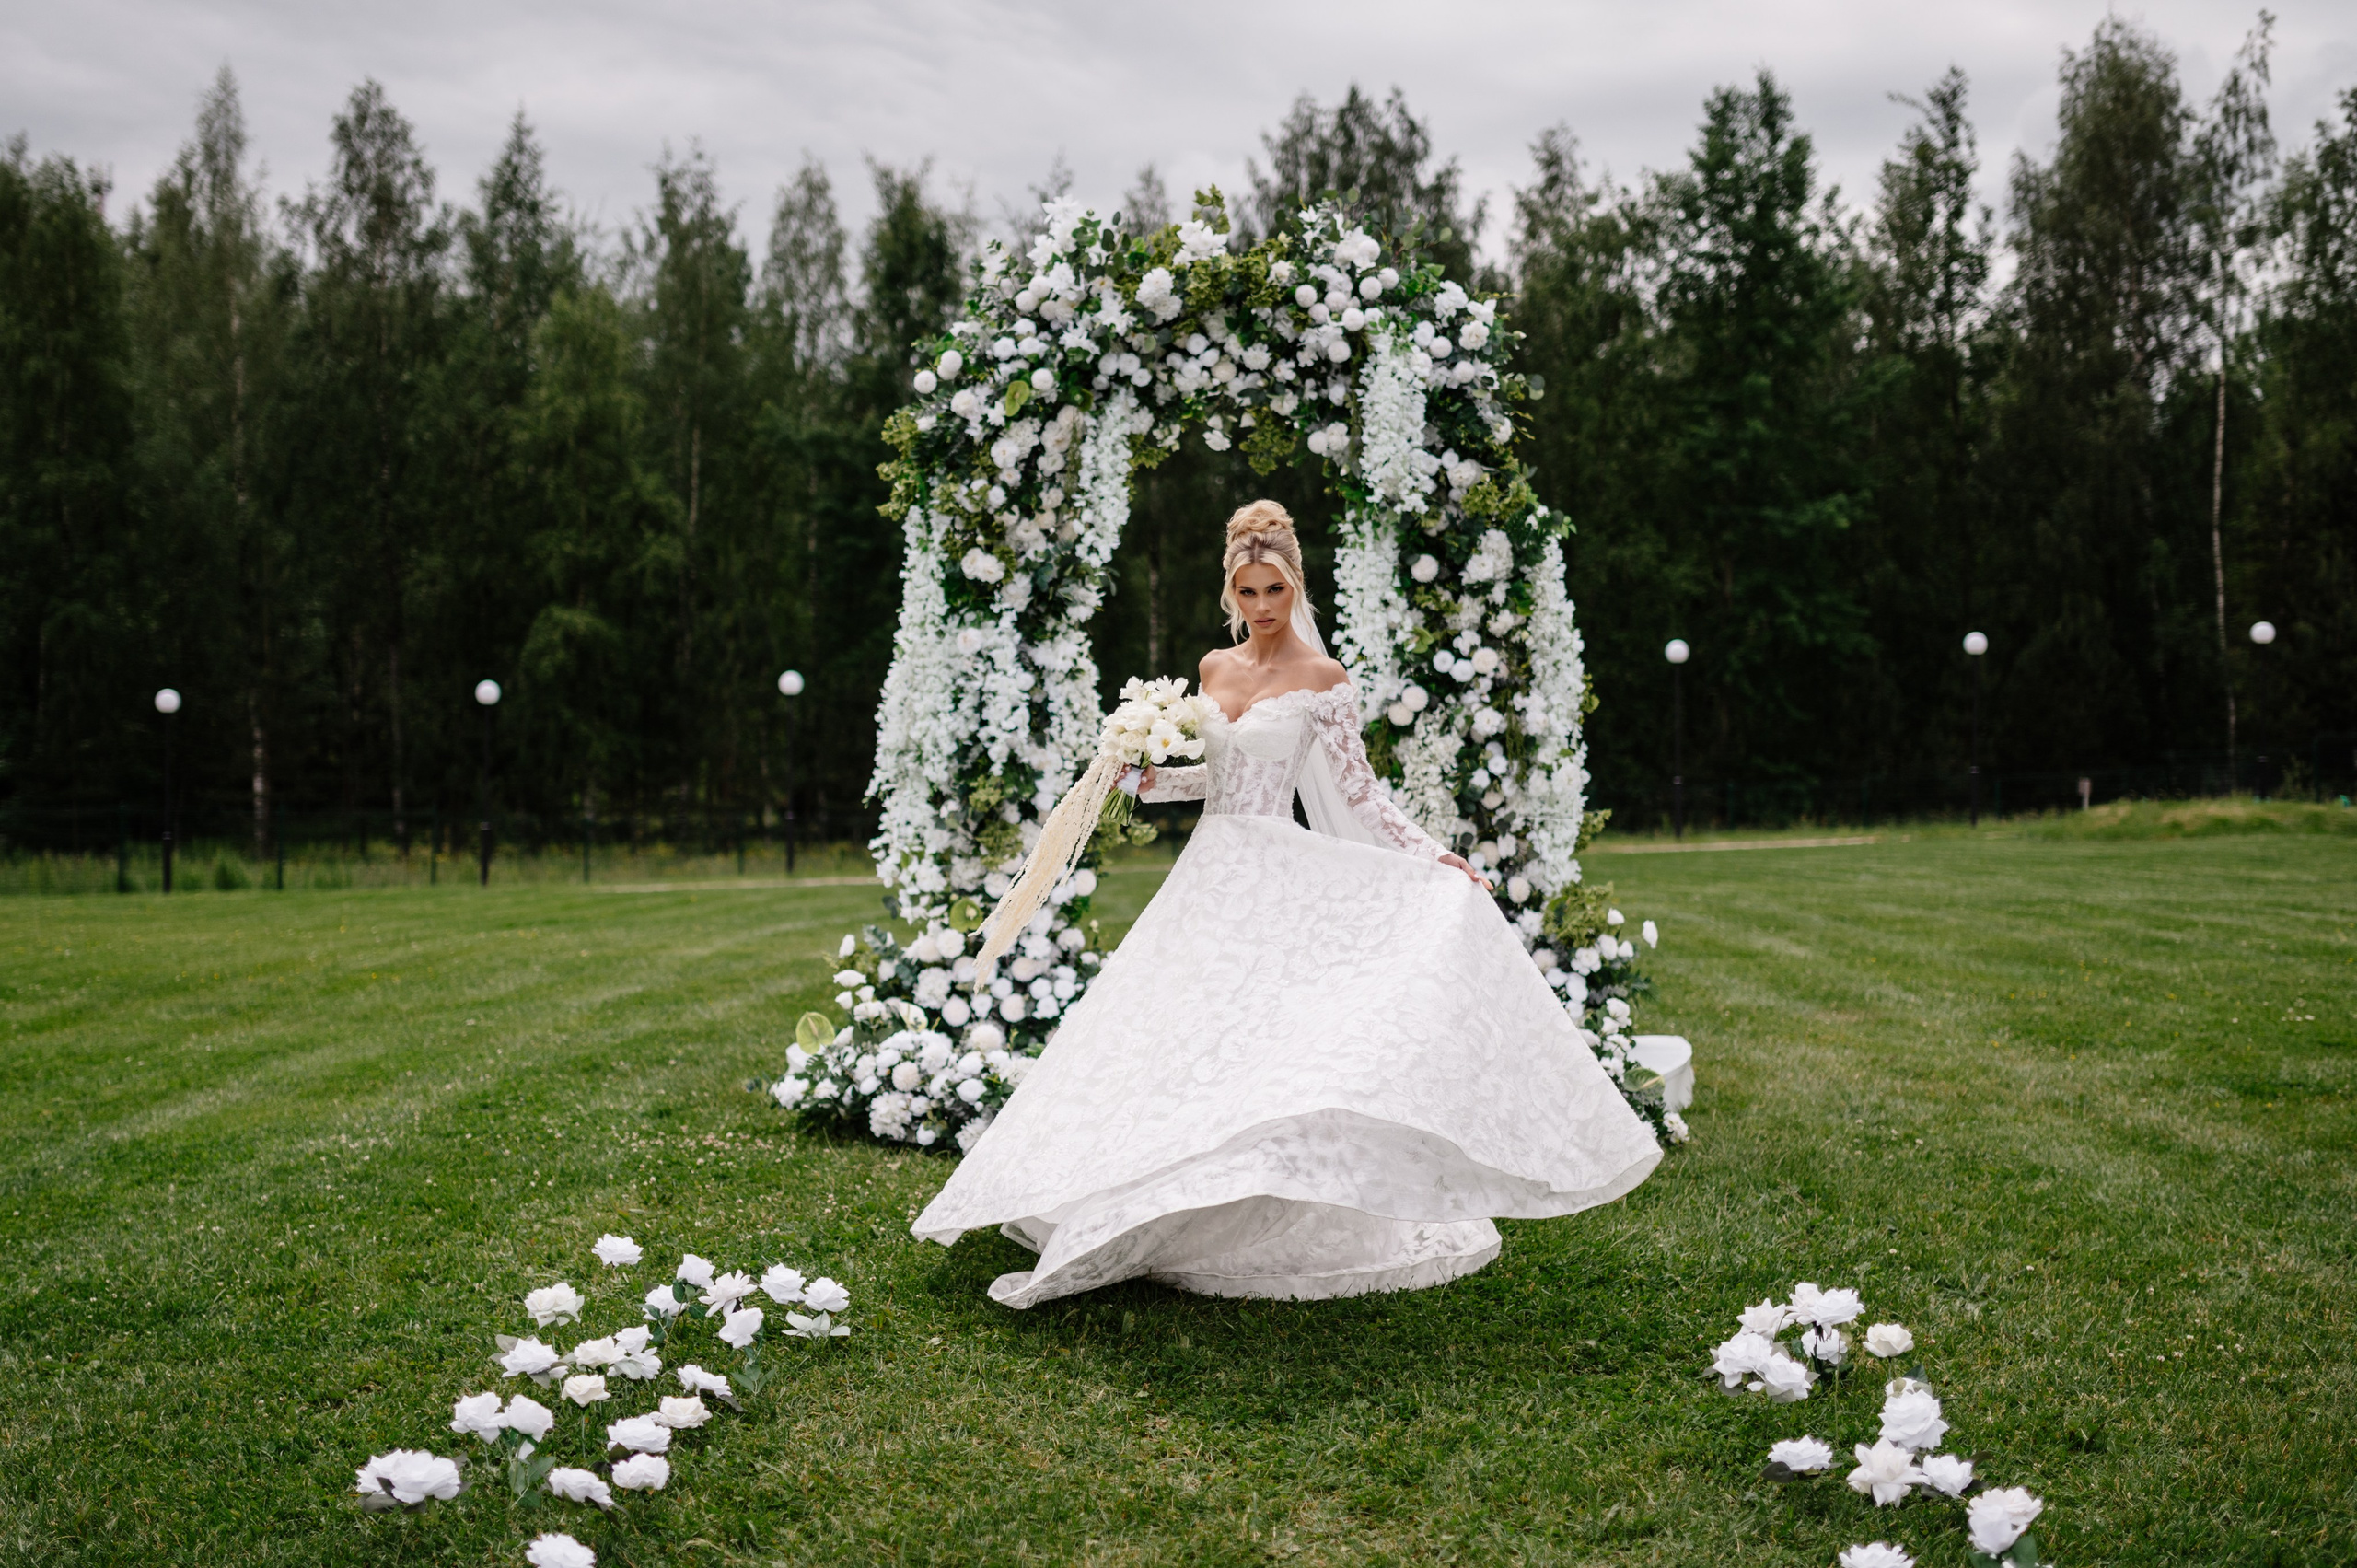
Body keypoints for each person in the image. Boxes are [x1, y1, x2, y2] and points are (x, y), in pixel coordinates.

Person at [912, 500, 1660, 1307]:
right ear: (1229, 591)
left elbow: (1361, 796)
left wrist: (1433, 854)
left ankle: (1256, 1195)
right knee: (1178, 1034)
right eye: (1247, 591)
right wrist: (1140, 773)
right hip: (1210, 872)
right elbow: (1212, 780)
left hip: (1274, 870)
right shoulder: (1212, 670)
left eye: (1273, 590)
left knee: (1263, 1037)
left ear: (1294, 586)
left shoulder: (1324, 682)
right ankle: (1143, 1177)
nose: (1261, 607)